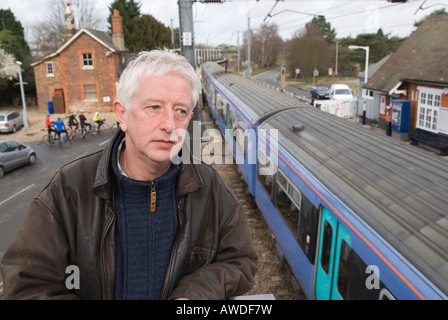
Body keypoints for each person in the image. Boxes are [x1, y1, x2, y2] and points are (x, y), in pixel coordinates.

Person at [0, 49, 258, 300]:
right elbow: (26, 284)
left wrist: (196, 295)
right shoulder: (69, 188)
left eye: (180, 111)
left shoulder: (208, 186)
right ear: (122, 114)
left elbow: (240, 260)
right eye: (154, 107)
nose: (169, 124)